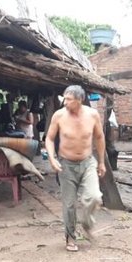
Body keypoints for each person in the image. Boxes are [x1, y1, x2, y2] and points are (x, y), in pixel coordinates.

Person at [45, 85, 106, 252]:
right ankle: (70, 236)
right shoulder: (59, 116)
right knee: (69, 204)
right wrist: (52, 158)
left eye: (69, 99)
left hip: (88, 162)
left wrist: (101, 162)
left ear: (79, 100)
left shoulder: (92, 115)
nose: (64, 102)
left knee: (94, 197)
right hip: (66, 165)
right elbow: (49, 139)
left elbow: (100, 138)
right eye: (64, 98)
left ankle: (87, 224)